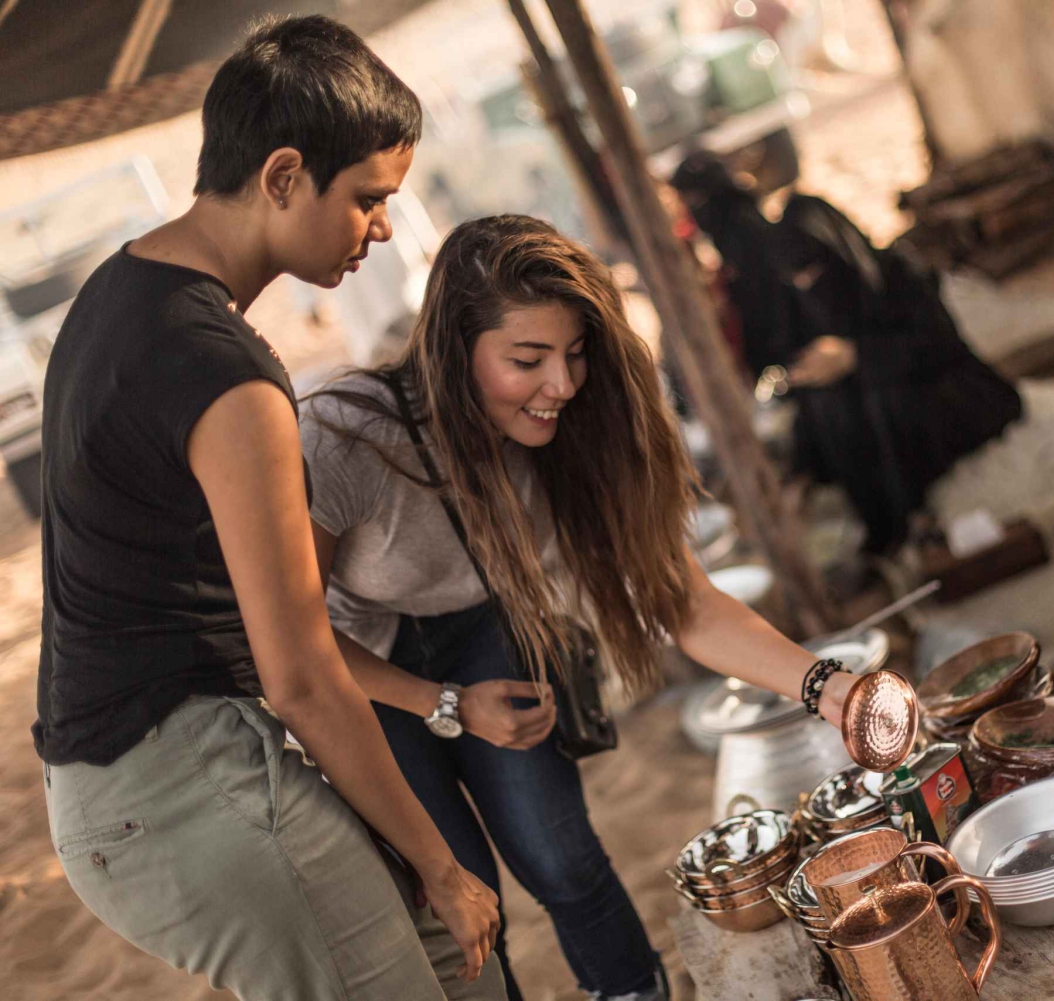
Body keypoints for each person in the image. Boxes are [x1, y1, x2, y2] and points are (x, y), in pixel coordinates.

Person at [34, 17, 507, 999]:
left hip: (131, 784)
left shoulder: (116, 292)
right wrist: (442, 863)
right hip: (178, 788)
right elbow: (300, 673)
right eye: (369, 199)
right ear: (284, 175)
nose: (381, 227)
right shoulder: (226, 373)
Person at [300, 215, 858, 1000]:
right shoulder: (344, 435)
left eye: (574, 354)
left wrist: (829, 686)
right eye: (527, 359)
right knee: (457, 894)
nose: (561, 385)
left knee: (563, 857)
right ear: (454, 351)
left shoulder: (575, 433)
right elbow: (286, 638)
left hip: (488, 625)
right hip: (358, 667)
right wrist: (445, 703)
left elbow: (685, 602)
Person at [669, 152, 1023, 554]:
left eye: (813, 272)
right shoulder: (809, 300)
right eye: (797, 280)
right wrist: (801, 466)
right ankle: (887, 533)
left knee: (881, 401)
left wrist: (856, 356)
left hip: (955, 392)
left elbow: (937, 345)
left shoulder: (897, 275)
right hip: (885, 392)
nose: (808, 285)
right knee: (826, 404)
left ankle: (912, 518)